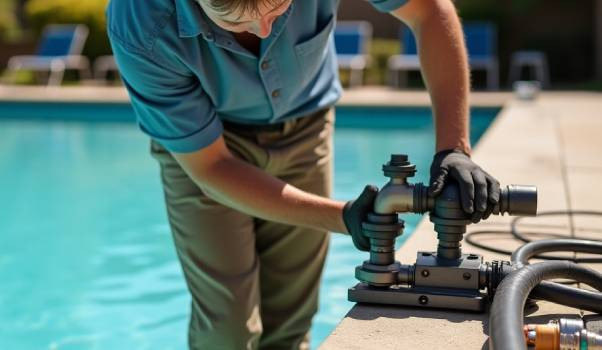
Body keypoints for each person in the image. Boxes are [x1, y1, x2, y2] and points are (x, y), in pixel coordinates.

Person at [106, 0, 501, 348]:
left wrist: (453, 148)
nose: (264, 31)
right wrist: (342, 217)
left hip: (305, 124)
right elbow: (211, 166)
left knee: (292, 318)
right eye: (235, 22)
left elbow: (428, 11)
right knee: (226, 327)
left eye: (278, 11)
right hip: (208, 146)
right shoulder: (140, 24)